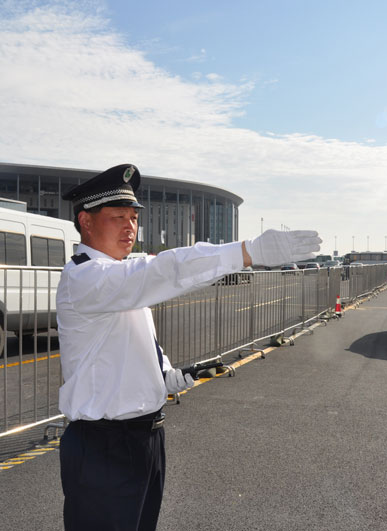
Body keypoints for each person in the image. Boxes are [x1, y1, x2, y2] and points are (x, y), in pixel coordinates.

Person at [56, 163, 321, 530]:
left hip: (144, 438)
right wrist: (248, 250)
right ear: (86, 221)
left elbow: (128, 340)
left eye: (134, 218)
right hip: (104, 445)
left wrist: (163, 374)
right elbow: (169, 270)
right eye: (118, 217)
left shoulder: (116, 274)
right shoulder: (86, 277)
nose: (130, 226)